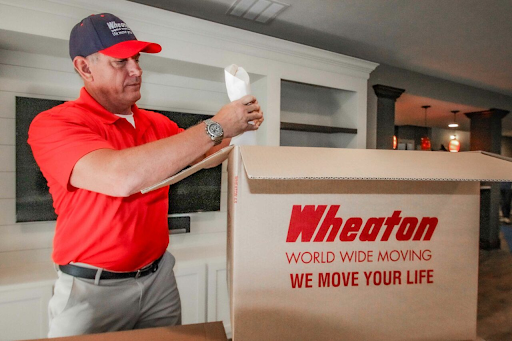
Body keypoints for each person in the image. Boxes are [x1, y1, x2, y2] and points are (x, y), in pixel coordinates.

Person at [27, 13, 263, 337]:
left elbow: (206, 156)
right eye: (120, 61)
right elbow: (120, 177)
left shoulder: (157, 124)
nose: (136, 70)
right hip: (91, 291)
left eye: (136, 59)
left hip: (159, 279)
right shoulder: (55, 124)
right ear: (84, 67)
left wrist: (236, 124)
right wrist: (218, 125)